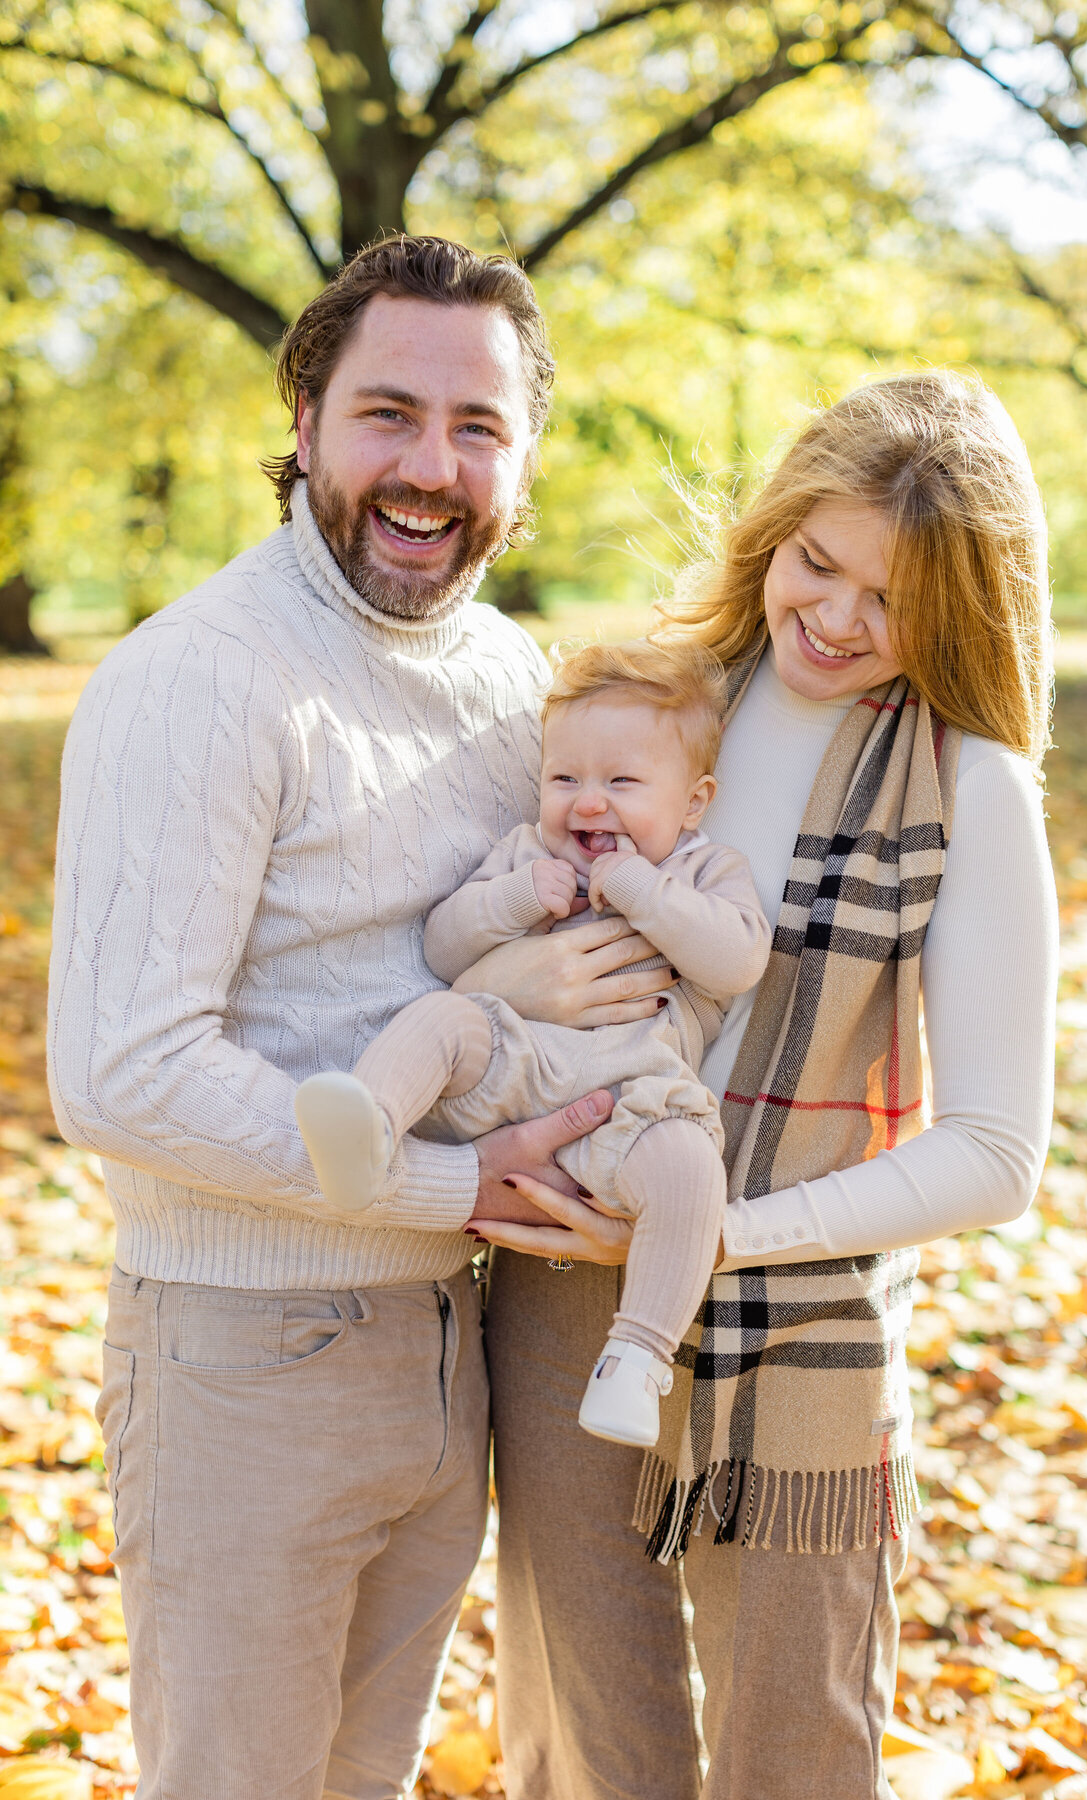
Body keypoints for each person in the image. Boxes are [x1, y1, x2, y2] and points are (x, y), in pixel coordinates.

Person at [45, 234, 664, 1800]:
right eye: (387, 414)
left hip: (445, 1343)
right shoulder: (203, 679)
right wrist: (460, 1182)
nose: (429, 467)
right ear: (306, 416)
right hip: (245, 1352)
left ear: (524, 460)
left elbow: (503, 957)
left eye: (477, 428)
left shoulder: (517, 683)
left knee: (363, 1781)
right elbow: (122, 1074)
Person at [467, 371, 1058, 1798]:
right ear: (770, 532)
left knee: (798, 1754)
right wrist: (516, 991)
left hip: (802, 1337)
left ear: (965, 609)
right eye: (818, 562)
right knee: (589, 1751)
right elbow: (485, 943)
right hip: (561, 1292)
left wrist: (714, 1237)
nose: (841, 619)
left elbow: (996, 1154)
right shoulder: (648, 709)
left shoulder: (967, 786)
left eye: (896, 596)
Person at [294, 638, 770, 1446]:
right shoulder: (526, 853)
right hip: (511, 1055)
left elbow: (738, 959)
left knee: (692, 1171)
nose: (588, 804)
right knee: (442, 1019)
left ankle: (635, 1359)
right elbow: (444, 951)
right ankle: (370, 1129)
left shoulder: (702, 871)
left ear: (693, 802)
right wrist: (512, 899)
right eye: (564, 779)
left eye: (621, 783)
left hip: (636, 1101)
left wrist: (642, 891)